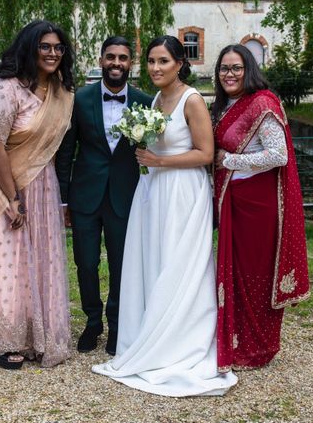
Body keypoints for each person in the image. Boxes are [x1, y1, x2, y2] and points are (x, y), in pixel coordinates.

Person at [92, 35, 237, 397]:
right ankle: (152, 331)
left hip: (183, 193)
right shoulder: (157, 98)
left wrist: (161, 161)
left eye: (164, 62)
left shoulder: (192, 100)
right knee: (155, 263)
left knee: (179, 263)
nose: (156, 68)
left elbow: (206, 154)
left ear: (179, 65)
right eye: (152, 62)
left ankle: (179, 341)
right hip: (154, 191)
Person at [0, 20, 74, 370]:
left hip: (41, 182)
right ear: (29, 48)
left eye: (58, 48)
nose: (52, 53)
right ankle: (3, 341)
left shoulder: (60, 91)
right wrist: (10, 198)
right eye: (45, 47)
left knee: (40, 256)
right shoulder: (4, 90)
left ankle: (37, 336)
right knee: (6, 259)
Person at [212, 44, 310, 371]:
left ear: (249, 69)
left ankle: (260, 347)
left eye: (236, 68)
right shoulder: (227, 105)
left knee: (257, 275)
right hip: (235, 201)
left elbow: (278, 154)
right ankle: (235, 341)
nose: (229, 74)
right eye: (224, 68)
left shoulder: (262, 103)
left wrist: (231, 160)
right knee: (236, 275)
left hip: (258, 203)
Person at [55, 36, 153, 356]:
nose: (116, 63)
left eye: (123, 58)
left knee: (122, 265)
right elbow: (66, 153)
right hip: (85, 197)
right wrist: (64, 200)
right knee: (85, 263)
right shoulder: (79, 99)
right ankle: (92, 322)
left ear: (130, 63)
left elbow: (151, 154)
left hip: (125, 198)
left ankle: (117, 324)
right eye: (110, 57)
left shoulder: (144, 101)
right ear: (101, 60)